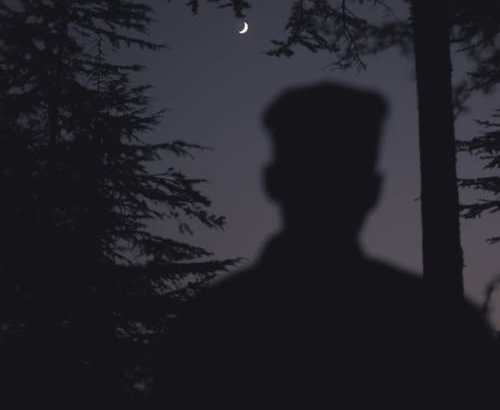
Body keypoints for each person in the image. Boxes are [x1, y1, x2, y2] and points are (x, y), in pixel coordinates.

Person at [151, 82, 499, 408]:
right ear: (373, 190)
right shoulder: (443, 329)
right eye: (316, 173)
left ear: (272, 181)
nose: (325, 192)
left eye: (336, 175)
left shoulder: (208, 329)